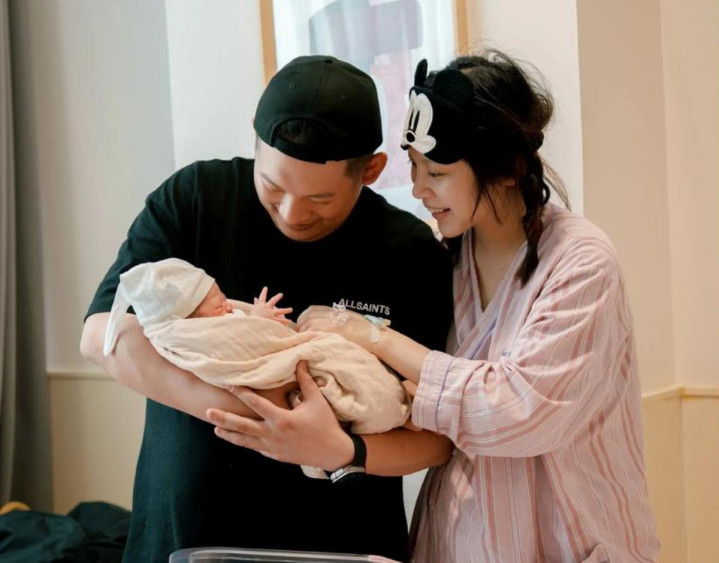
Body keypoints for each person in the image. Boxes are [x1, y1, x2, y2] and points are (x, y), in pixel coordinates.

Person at [209, 52, 660, 562]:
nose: (419, 189)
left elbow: (517, 411)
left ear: (506, 169)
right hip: (461, 542)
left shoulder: (581, 262)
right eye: (415, 167)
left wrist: (376, 339)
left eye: (438, 172)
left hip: (566, 543)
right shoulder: (449, 258)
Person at [80, 55, 454, 562]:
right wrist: (260, 412)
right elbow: (103, 335)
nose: (293, 214)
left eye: (320, 199)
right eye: (273, 186)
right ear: (255, 143)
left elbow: (437, 440)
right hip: (182, 538)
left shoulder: (410, 253)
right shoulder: (195, 198)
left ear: (371, 170)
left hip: (342, 545)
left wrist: (341, 449)